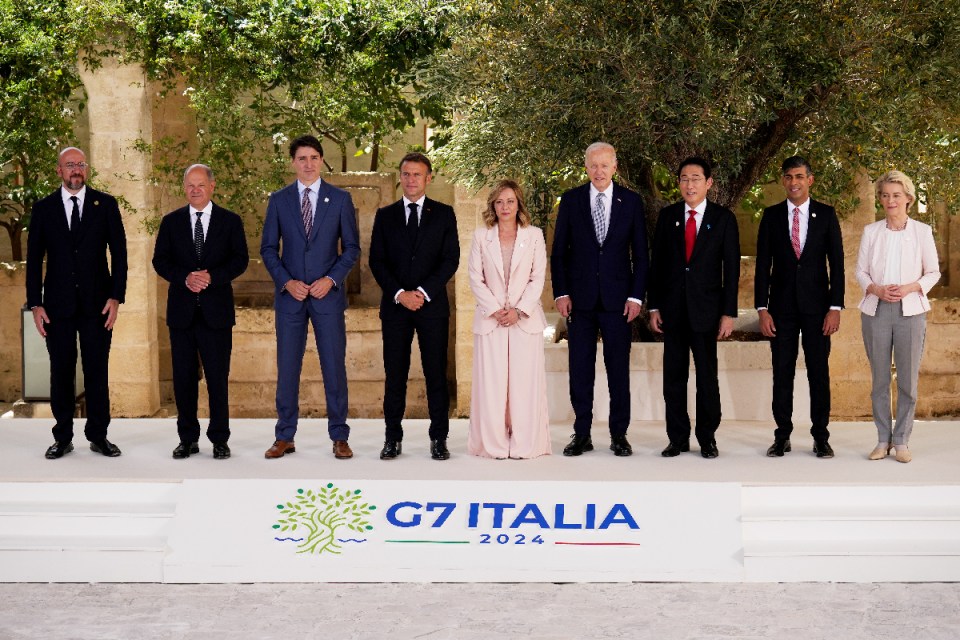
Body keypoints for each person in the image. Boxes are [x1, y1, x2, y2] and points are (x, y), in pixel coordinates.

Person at [260, 135, 361, 460]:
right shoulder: (278, 200)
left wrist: (331, 280)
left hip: (326, 298)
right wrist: (287, 282)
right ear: (293, 162)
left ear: (321, 161)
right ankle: (284, 436)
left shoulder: (340, 199)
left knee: (334, 366)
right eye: (302, 158)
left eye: (314, 158)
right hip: (290, 299)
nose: (308, 164)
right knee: (288, 367)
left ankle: (340, 436)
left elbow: (352, 249)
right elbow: (267, 249)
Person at [26, 147, 128, 459]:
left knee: (97, 371)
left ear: (86, 169)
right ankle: (63, 437)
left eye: (80, 165)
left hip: (98, 305)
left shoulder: (106, 205)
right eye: (70, 165)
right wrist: (35, 303)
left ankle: (98, 436)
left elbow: (120, 255)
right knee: (61, 372)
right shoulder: (44, 209)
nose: (76, 170)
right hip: (57, 307)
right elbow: (33, 260)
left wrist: (116, 298)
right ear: (59, 170)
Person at [550, 142, 648, 457]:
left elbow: (642, 256)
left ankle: (619, 435)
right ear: (586, 166)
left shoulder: (631, 202)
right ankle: (582, 434)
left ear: (614, 167)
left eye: (605, 165)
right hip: (579, 302)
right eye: (593, 165)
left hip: (619, 303)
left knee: (618, 370)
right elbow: (559, 252)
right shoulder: (571, 200)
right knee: (580, 370)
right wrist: (561, 292)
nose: (599, 171)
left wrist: (636, 296)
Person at [152, 164, 249, 460]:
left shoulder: (230, 221)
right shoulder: (171, 222)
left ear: (212, 186)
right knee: (183, 379)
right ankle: (187, 439)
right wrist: (184, 277)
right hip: (181, 315)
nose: (195, 189)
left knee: (217, 379)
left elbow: (240, 260)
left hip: (216, 314)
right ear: (185, 188)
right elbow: (160, 261)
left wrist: (211, 277)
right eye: (190, 185)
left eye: (201, 184)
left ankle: (220, 439)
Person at [369, 152, 460, 460]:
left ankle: (439, 438)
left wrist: (421, 292)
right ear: (400, 176)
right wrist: (399, 293)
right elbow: (376, 262)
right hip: (395, 308)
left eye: (417, 175)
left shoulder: (445, 214)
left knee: (436, 374)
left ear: (428, 178)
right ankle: (392, 438)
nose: (410, 180)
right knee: (395, 375)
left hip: (431, 307)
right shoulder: (385, 215)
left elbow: (451, 259)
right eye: (406, 174)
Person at [648, 157, 740, 459]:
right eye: (684, 178)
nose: (690, 184)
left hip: (708, 313)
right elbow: (657, 265)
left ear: (708, 183)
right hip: (673, 312)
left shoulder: (723, 219)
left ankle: (707, 438)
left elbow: (732, 270)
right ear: (679, 183)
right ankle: (677, 438)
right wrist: (655, 307)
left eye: (696, 178)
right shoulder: (668, 216)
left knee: (706, 378)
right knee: (673, 378)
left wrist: (728, 313)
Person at [755, 156, 844, 459]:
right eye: (788, 177)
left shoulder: (827, 215)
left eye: (799, 176)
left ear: (810, 179)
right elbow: (762, 267)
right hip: (780, 310)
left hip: (819, 310)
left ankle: (821, 436)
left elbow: (838, 267)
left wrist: (835, 307)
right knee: (782, 373)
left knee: (818, 373)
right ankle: (782, 436)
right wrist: (761, 309)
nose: (794, 182)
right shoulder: (771, 216)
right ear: (783, 181)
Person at [855, 170, 940, 463]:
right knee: (879, 379)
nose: (890, 200)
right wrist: (875, 288)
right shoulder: (871, 232)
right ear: (880, 199)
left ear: (908, 199)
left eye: (896, 195)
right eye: (885, 195)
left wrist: (910, 287)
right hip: (875, 311)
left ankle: (901, 440)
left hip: (911, 311)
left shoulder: (922, 232)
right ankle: (882, 439)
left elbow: (933, 272)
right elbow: (860, 271)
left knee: (907, 380)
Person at [467, 180, 551, 459]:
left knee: (523, 384)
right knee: (491, 385)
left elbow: (537, 277)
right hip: (490, 321)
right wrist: (495, 309)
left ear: (519, 205)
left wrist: (518, 310)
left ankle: (525, 443)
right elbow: (475, 278)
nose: (505, 207)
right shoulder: (481, 236)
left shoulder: (535, 235)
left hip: (524, 321)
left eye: (510, 201)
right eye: (500, 202)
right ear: (493, 205)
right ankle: (493, 445)